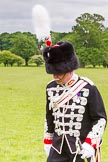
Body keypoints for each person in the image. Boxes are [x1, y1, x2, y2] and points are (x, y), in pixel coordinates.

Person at [42, 41, 107, 162]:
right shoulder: (50, 87)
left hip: (81, 147)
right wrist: (48, 140)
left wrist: (90, 142)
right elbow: (49, 116)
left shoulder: (87, 87)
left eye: (59, 73)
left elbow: (100, 119)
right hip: (58, 147)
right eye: (53, 72)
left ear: (70, 69)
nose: (55, 76)